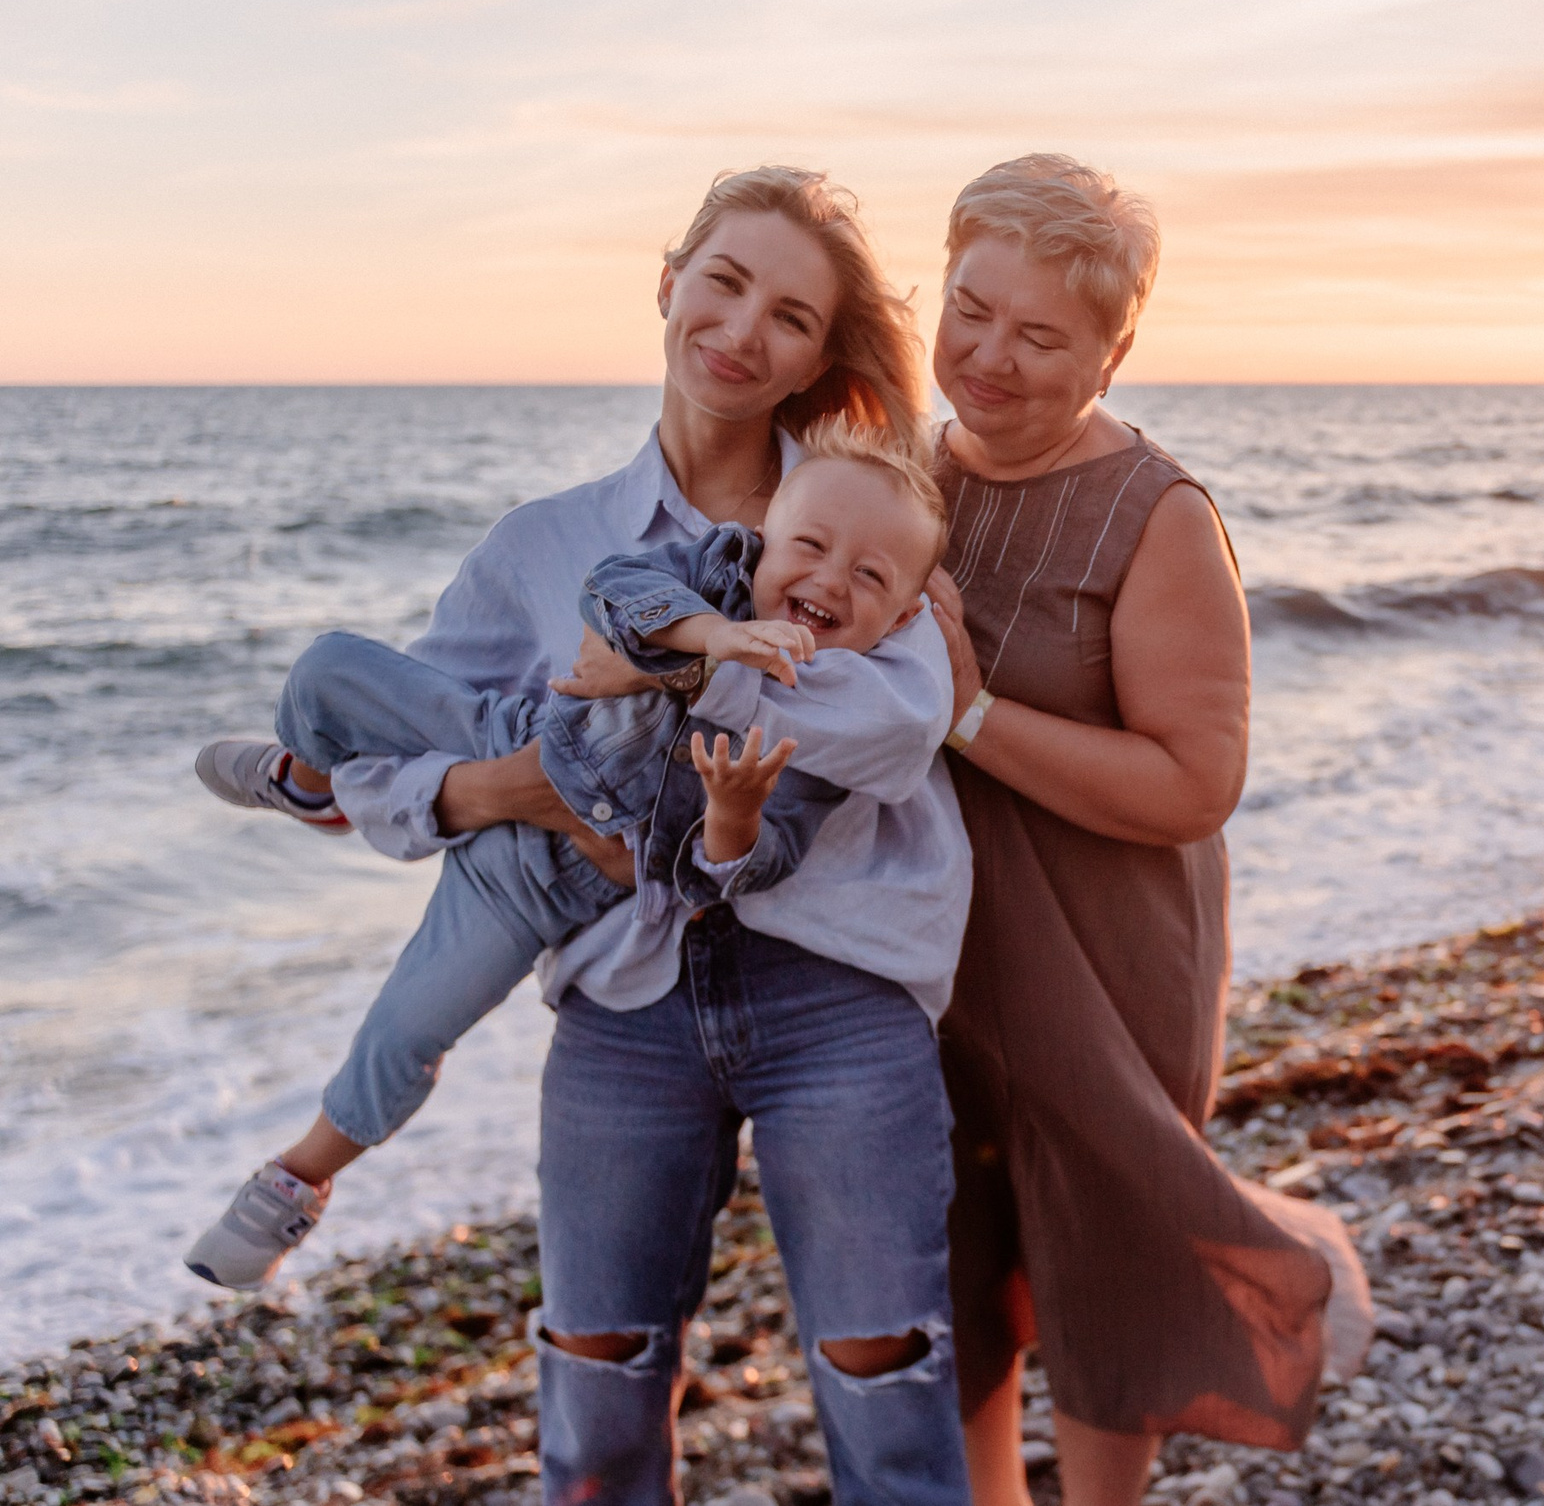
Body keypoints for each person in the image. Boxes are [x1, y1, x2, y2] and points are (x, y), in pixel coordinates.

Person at [198, 166, 972, 1506]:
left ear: (815, 359)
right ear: (667, 282)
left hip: (833, 989)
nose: (742, 329)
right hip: (621, 998)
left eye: (791, 315)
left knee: (881, 1380)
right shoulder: (543, 546)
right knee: (597, 1390)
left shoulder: (861, 524)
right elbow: (409, 759)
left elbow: (896, 732)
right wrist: (510, 789)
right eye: (722, 282)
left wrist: (654, 685)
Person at [184, 428, 950, 1291]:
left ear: (903, 618)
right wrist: (711, 639)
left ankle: (301, 1174)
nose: (829, 579)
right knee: (327, 668)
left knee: (408, 1026)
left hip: (541, 885)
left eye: (871, 577)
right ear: (766, 532)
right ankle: (310, 779)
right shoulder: (716, 567)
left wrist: (733, 816)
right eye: (811, 545)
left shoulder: (827, 732)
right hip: (523, 738)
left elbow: (739, 870)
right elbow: (614, 588)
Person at [923, 154, 1371, 1506]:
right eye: (970, 308)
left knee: (1103, 1276)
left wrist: (973, 715)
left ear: (1114, 350)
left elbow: (1194, 782)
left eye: (1040, 335)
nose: (990, 357)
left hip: (1107, 965)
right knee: (949, 1279)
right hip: (924, 958)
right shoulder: (890, 468)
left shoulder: (1157, 516)